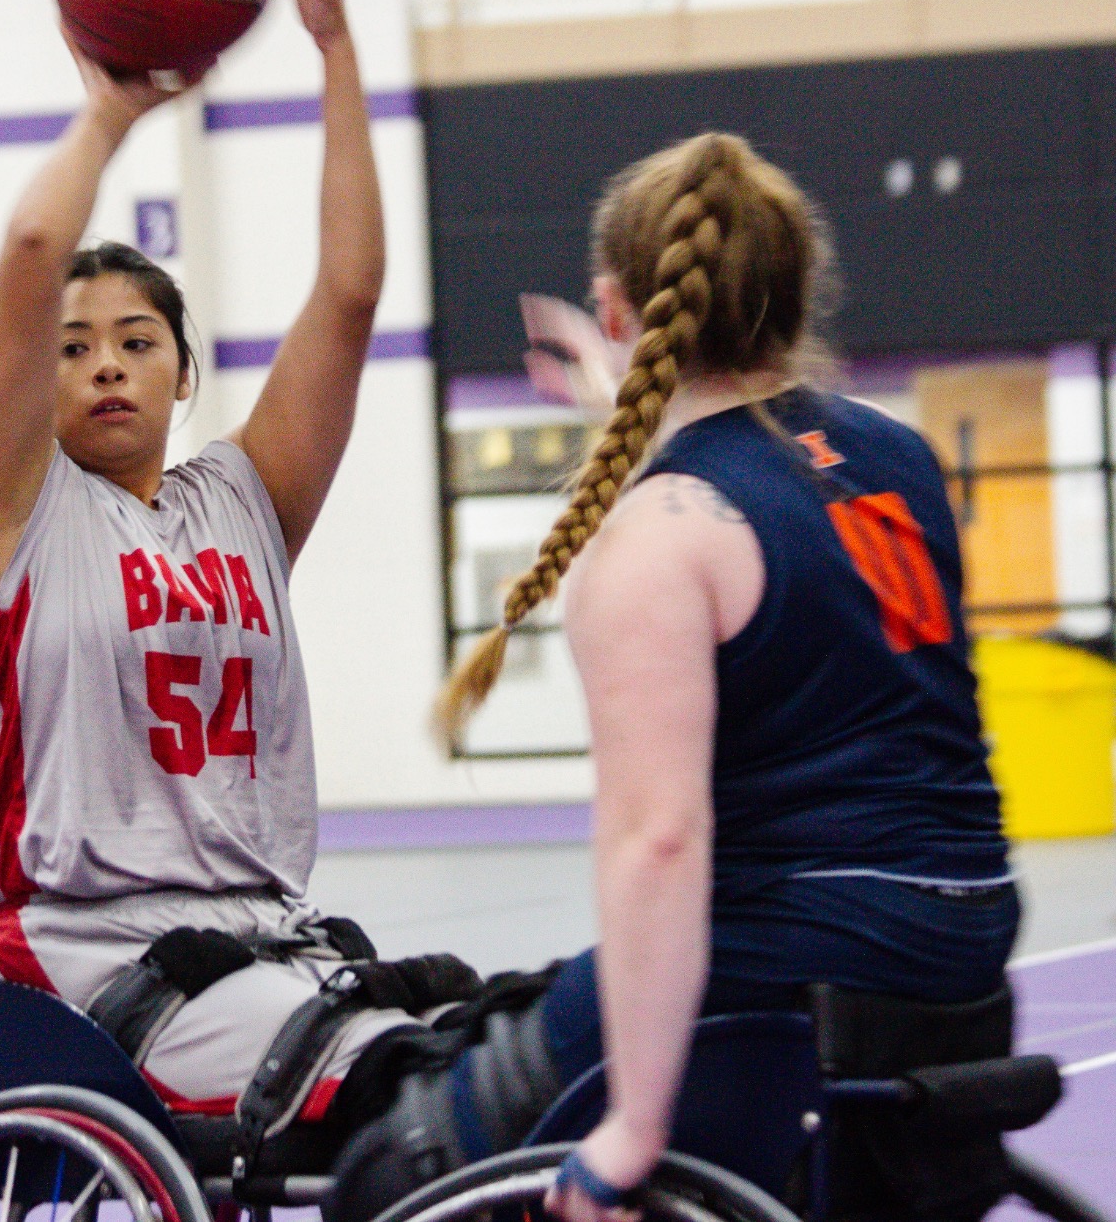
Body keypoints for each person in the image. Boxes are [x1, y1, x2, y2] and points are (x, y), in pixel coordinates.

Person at [328, 132, 1018, 1222]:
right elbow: (769, 488)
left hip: (796, 954)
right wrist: (620, 394)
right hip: (963, 944)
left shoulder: (656, 539)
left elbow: (658, 842)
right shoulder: (896, 456)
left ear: (615, 309)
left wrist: (633, 1128)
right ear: (795, 296)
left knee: (380, 1174)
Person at [0, 0, 475, 1143]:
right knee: (412, 1098)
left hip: (267, 940)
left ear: (184, 372)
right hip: (84, 964)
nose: (104, 368)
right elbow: (30, 247)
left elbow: (348, 296)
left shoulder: (239, 499)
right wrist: (113, 113)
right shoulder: (8, 507)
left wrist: (337, 50)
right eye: (71, 349)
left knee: (483, 1056)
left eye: (136, 342)